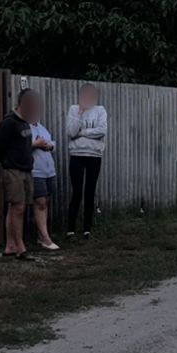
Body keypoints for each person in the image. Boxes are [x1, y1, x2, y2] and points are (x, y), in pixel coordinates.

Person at [0, 89, 40, 259]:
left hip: (26, 169)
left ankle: (10, 246)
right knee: (18, 207)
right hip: (13, 170)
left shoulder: (25, 123)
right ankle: (21, 248)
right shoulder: (9, 122)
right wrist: (8, 163)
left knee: (16, 208)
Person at [66, 83, 107, 239]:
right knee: (77, 192)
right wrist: (80, 113)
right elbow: (71, 132)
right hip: (77, 155)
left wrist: (82, 133)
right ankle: (70, 230)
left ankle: (87, 229)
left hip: (94, 156)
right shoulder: (73, 109)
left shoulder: (100, 110)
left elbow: (101, 131)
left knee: (90, 192)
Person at [29, 111, 61, 251]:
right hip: (35, 171)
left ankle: (41, 235)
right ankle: (46, 238)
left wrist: (50, 146)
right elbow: (21, 147)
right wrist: (36, 144)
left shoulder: (42, 128)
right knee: (40, 202)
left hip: (49, 171)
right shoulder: (24, 128)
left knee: (45, 202)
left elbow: (51, 143)